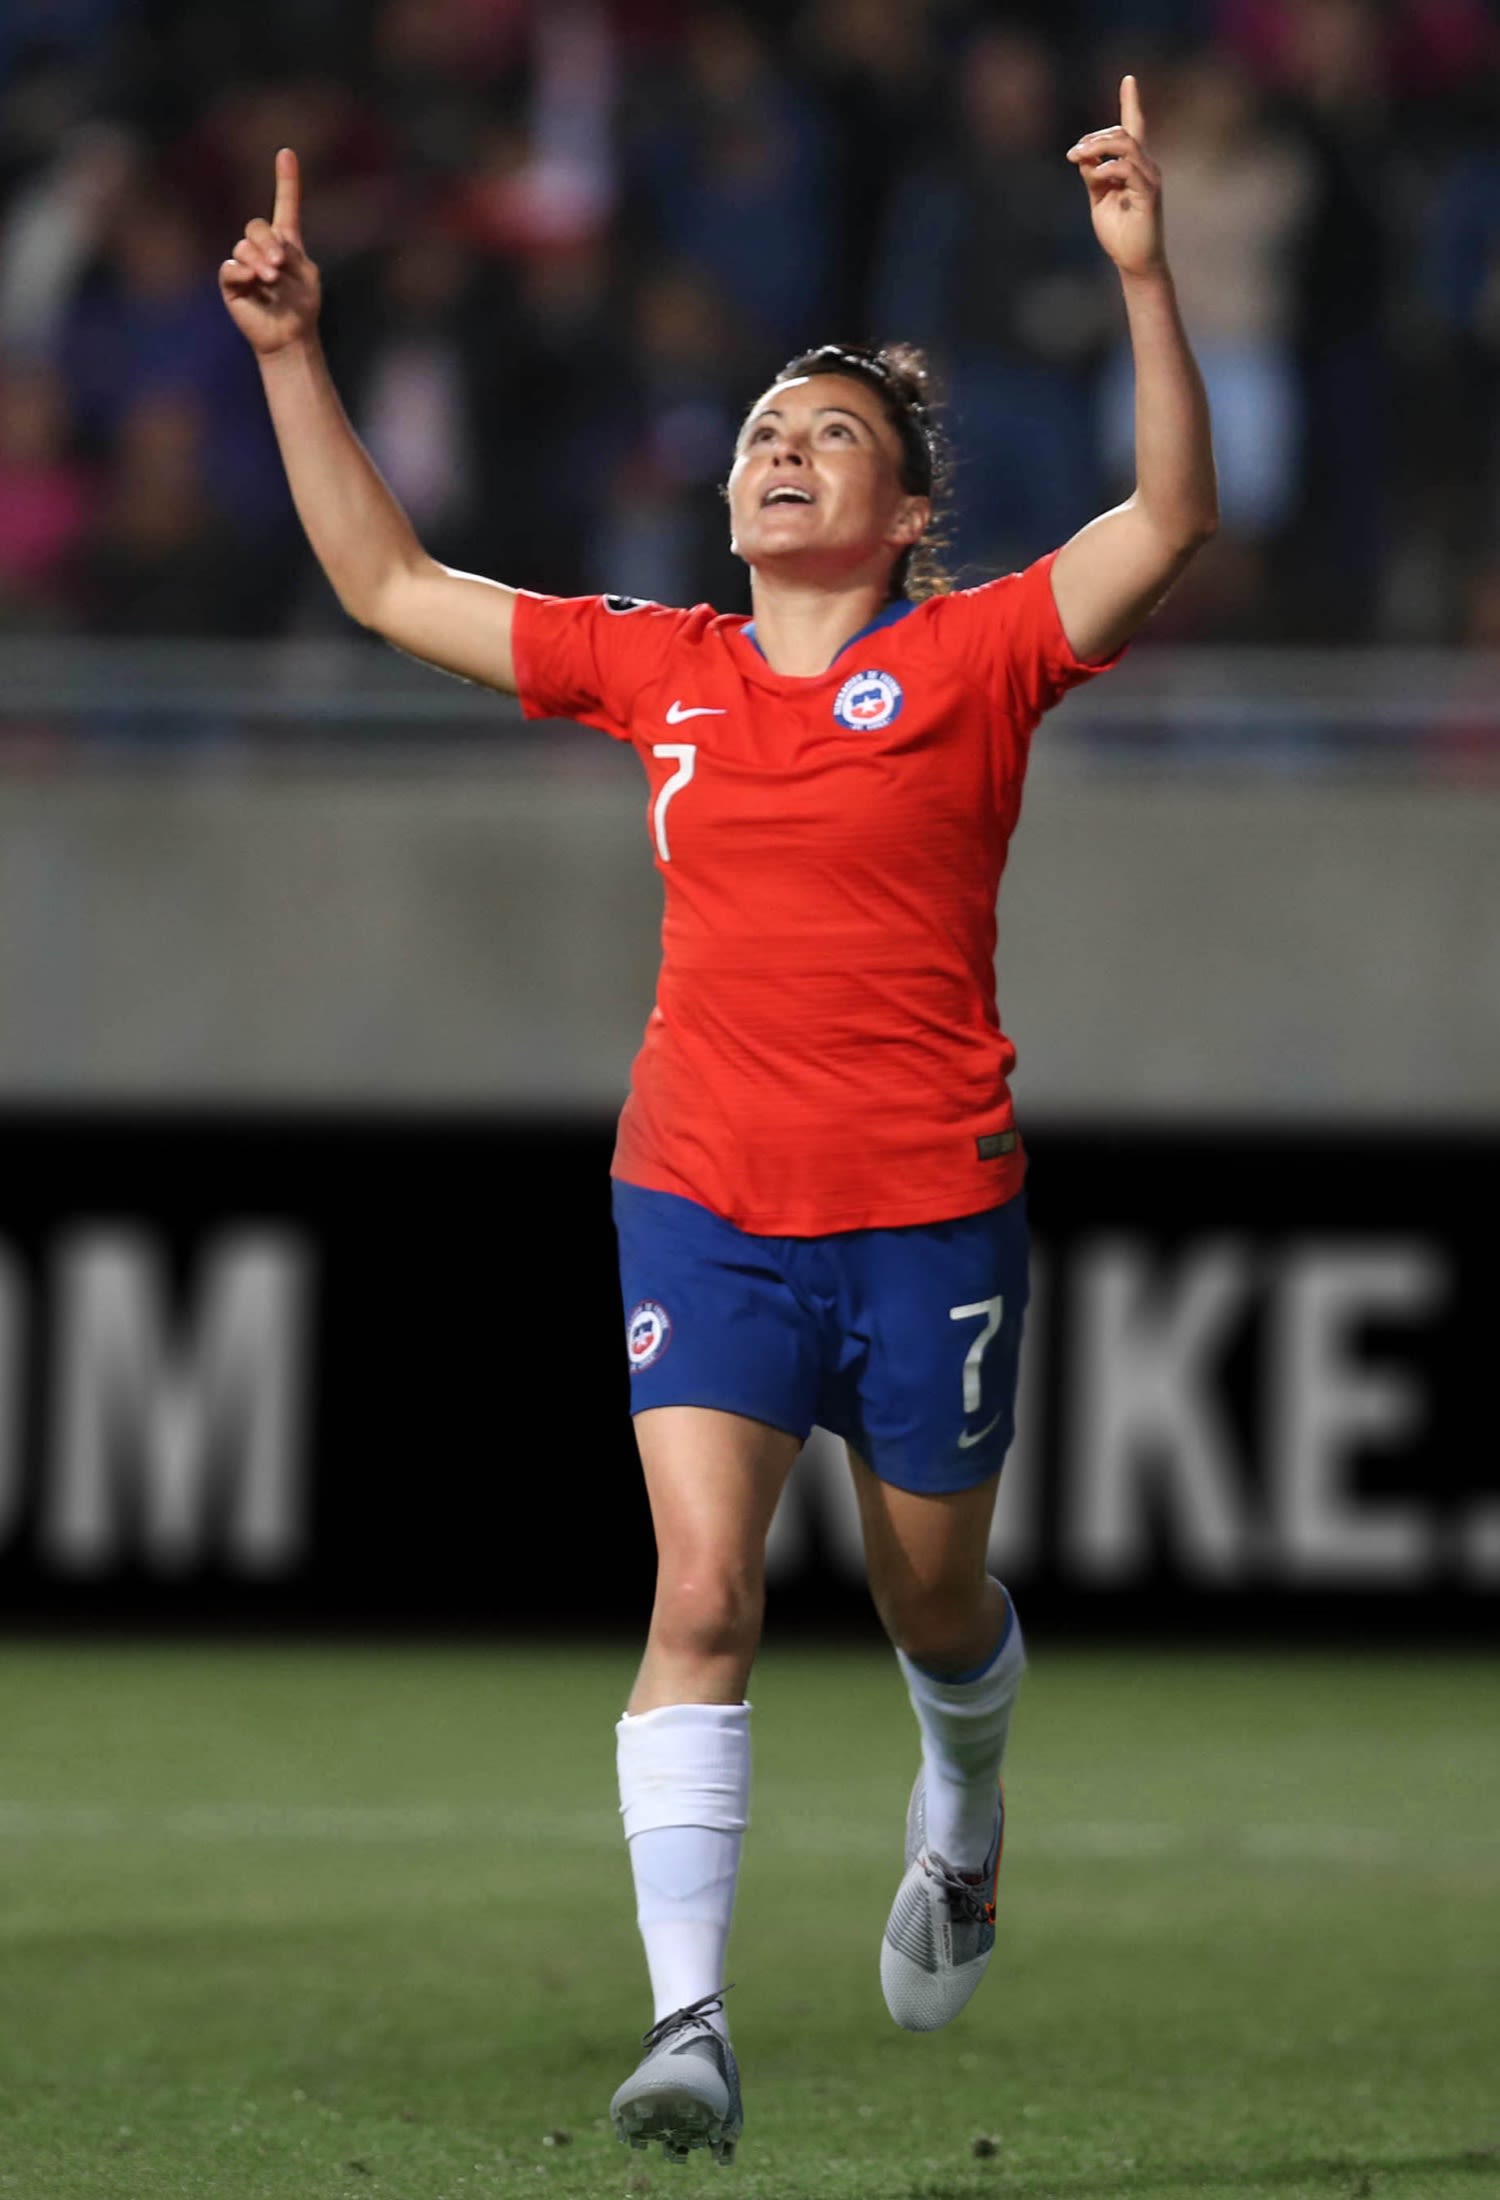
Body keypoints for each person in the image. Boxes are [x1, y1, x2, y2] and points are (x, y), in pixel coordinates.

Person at [220, 74, 1215, 2168]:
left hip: (929, 1206)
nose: (779, 445)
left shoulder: (976, 655)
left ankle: (964, 1793)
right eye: (768, 423)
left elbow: (1166, 528)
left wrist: (1143, 282)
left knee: (933, 1601)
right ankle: (688, 2023)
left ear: (910, 509)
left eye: (828, 430)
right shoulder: (659, 663)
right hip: (700, 1193)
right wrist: (296, 352)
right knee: (698, 1592)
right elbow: (392, 585)